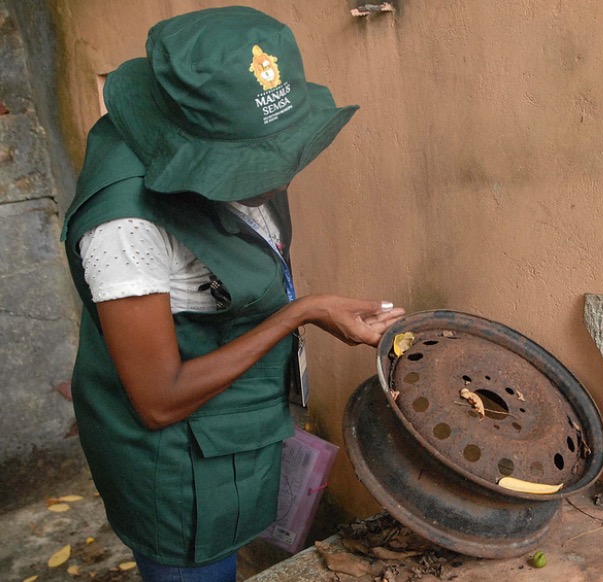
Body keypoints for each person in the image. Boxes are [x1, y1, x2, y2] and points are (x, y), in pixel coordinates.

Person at [60, 6, 404, 581]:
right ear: (187, 138)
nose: (282, 177)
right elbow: (159, 399)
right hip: (174, 469)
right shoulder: (124, 229)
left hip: (228, 436)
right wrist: (304, 312)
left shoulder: (223, 133)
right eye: (255, 163)